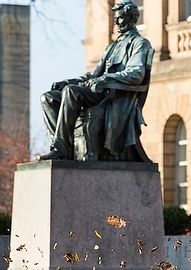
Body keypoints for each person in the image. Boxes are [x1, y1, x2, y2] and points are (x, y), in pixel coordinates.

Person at [38, 1, 151, 161]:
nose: (117, 22)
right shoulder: (113, 46)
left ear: (131, 18)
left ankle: (60, 149)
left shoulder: (139, 43)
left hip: (113, 96)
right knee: (48, 98)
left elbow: (136, 73)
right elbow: (93, 74)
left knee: (71, 92)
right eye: (116, 18)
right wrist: (68, 80)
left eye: (120, 18)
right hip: (97, 90)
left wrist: (107, 78)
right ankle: (63, 147)